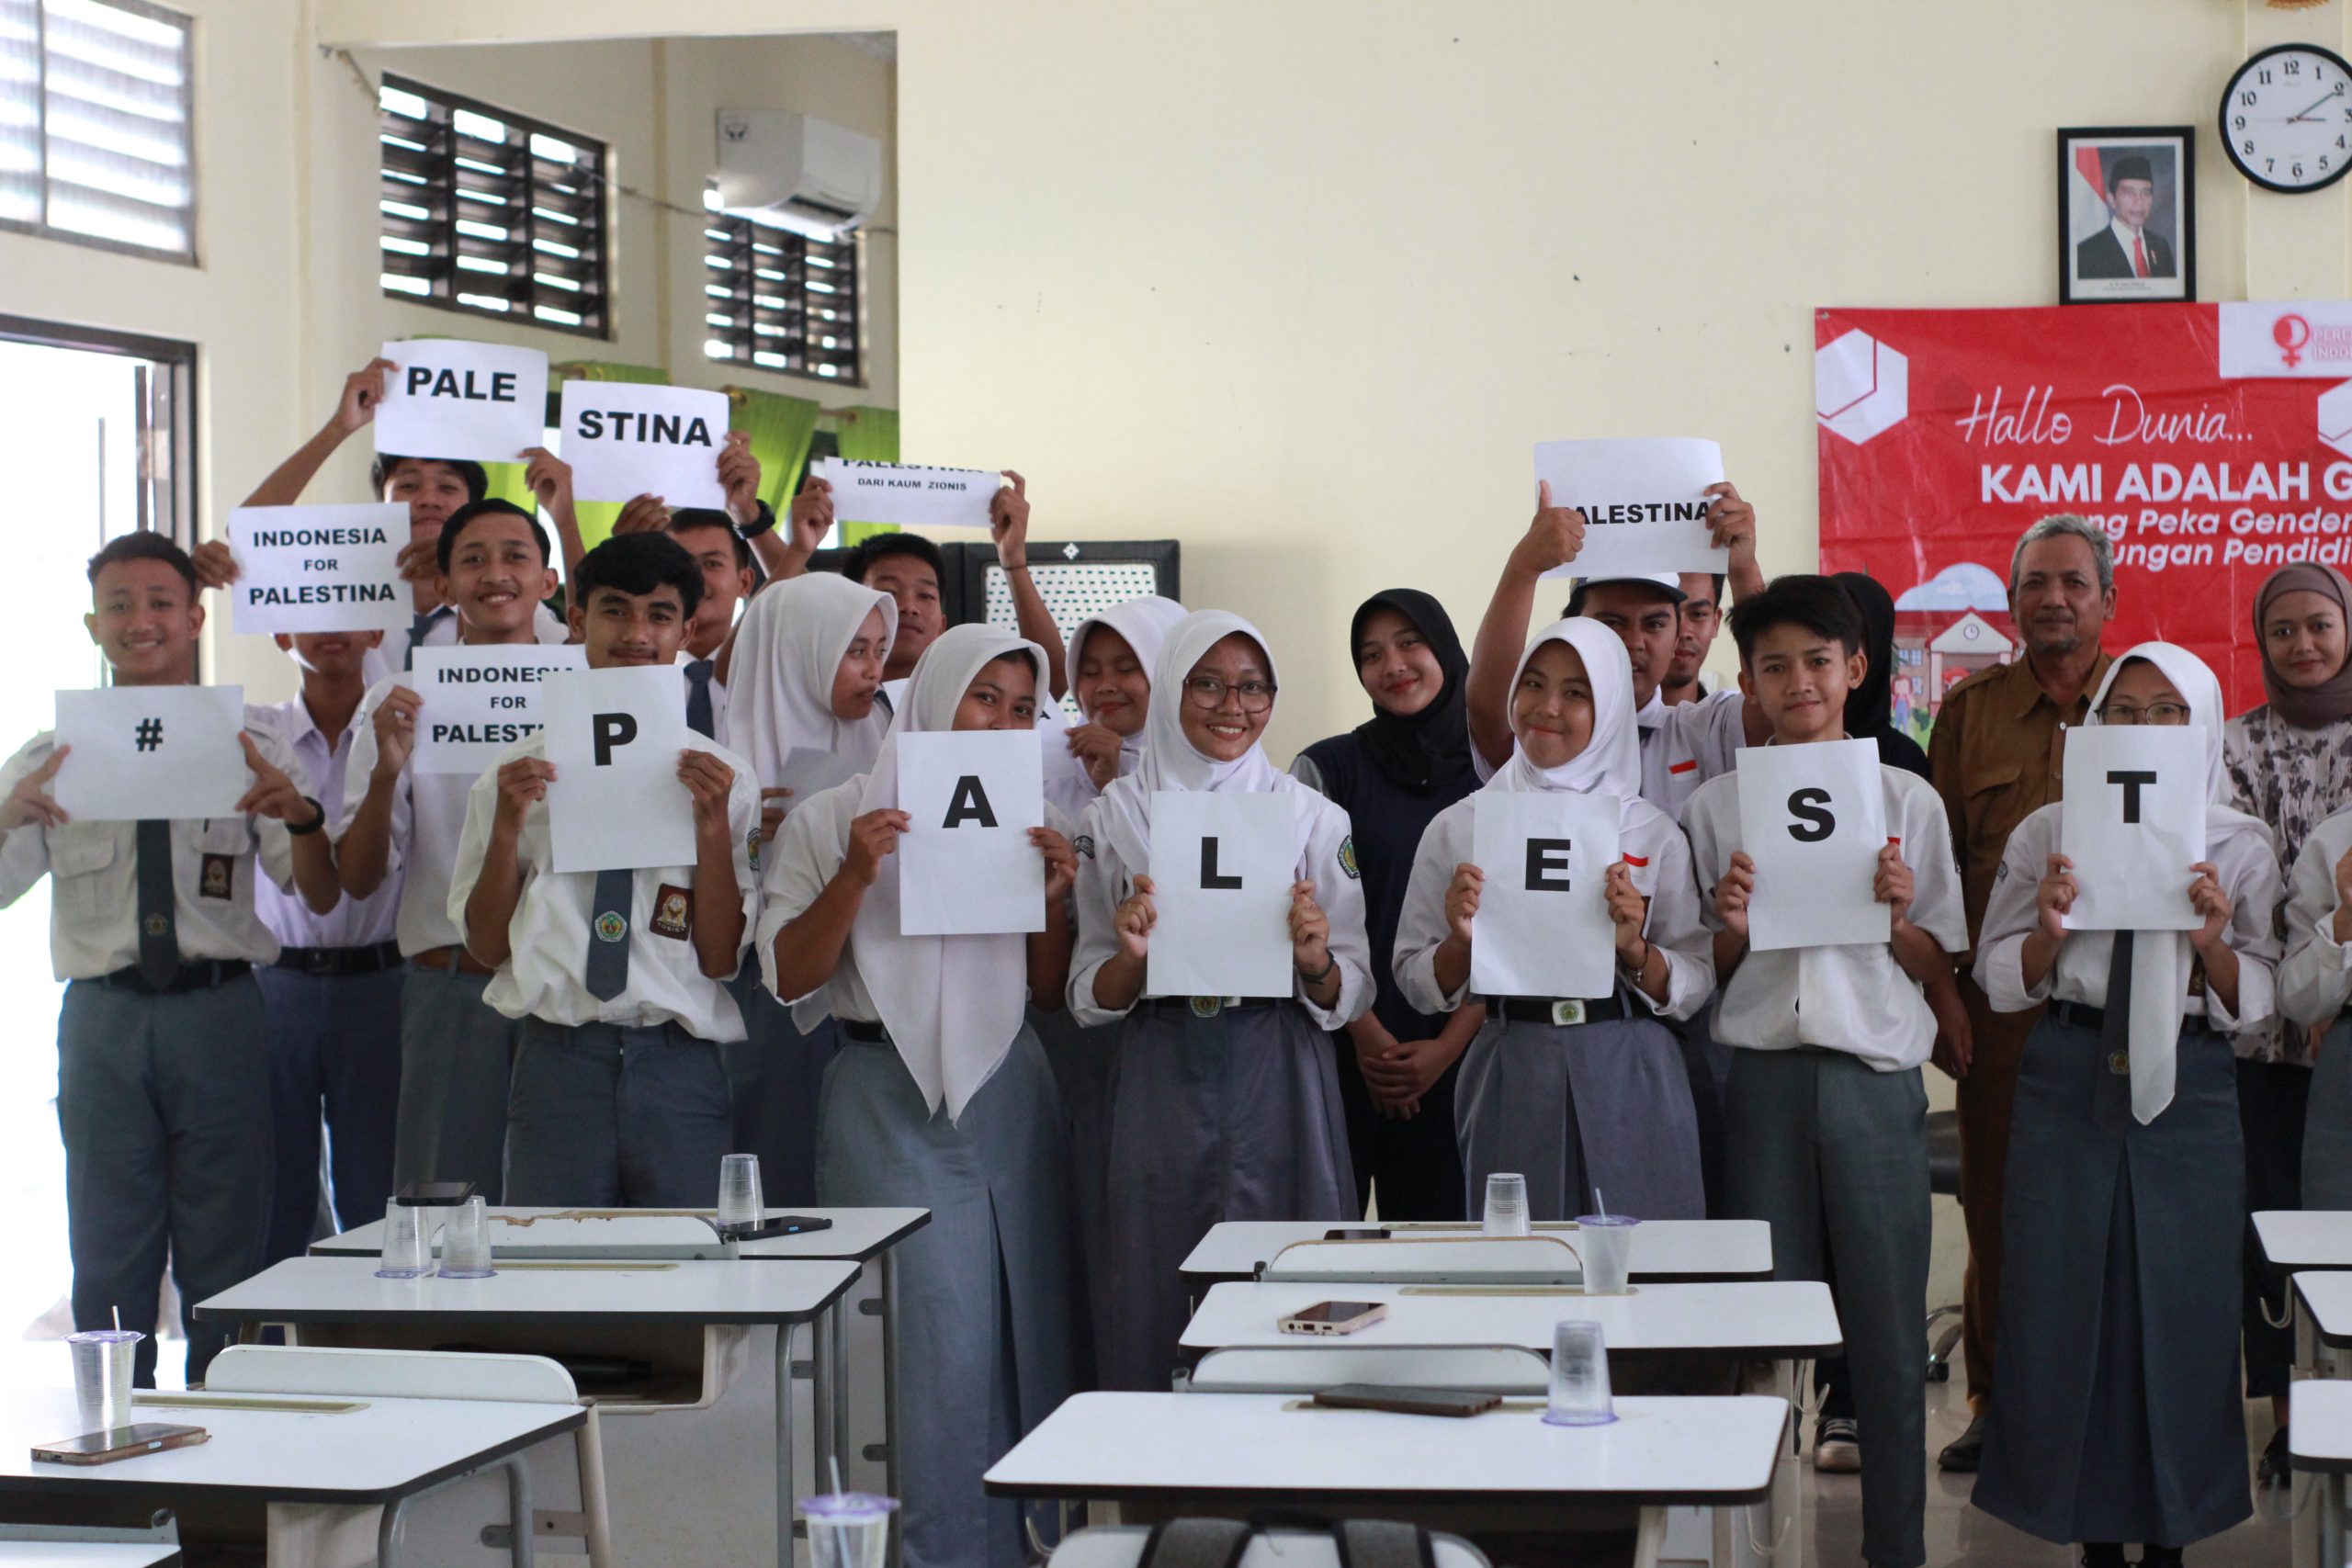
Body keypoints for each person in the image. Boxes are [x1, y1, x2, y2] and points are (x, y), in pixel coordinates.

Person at [761, 624, 1078, 1568]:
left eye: (1022, 708)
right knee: (919, 1344)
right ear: (936, 694)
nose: (1002, 720)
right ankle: (920, 1550)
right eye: (985, 696)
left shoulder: (1029, 815)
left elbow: (1049, 989)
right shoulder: (836, 816)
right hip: (882, 1092)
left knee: (1027, 1321)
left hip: (1008, 1092)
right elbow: (787, 976)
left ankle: (1029, 1546)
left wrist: (1056, 897)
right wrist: (858, 875)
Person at [0, 533, 335, 1384]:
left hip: (219, 1011)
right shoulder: (49, 757)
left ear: (194, 615)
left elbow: (319, 893)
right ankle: (113, 1438)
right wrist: (5, 817)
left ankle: (230, 1447)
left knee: (229, 1247)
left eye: (159, 602)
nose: (139, 620)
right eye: (119, 604)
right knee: (108, 1243)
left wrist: (299, 815)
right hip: (104, 1018)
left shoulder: (251, 743)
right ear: (91, 624)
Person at [1972, 643, 2276, 1568]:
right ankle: (2090, 1534)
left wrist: (2212, 945)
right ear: (2095, 724)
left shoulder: (2236, 840)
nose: (2142, 730)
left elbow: (2259, 999)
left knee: (2181, 1304)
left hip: (2189, 1078)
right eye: (2124, 711)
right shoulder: (2046, 831)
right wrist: (2046, 935)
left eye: (2166, 712)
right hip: (2067, 1063)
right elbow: (1996, 977)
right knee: (2065, 1298)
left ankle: (2172, 1535)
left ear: (2203, 724)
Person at [1684, 574, 1966, 1568]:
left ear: (1855, 668)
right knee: (1759, 1331)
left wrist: (1899, 920)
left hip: (1870, 1080)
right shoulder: (1715, 808)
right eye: (1772, 666)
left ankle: (1898, 1550)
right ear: (1747, 682)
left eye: (1816, 660)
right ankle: (1752, 1544)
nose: (1796, 681)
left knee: (1888, 1337)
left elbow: (1938, 967)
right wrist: (1727, 925)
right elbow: (1699, 973)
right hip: (1759, 1081)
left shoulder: (1907, 799)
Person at [1069, 609, 1372, 1391]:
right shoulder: (1115, 815)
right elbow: (1085, 989)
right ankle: (1165, 1490)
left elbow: (1352, 981)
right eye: (1207, 683)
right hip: (1160, 1062)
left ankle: (1294, 1481)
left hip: (1279, 1060)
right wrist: (1133, 960)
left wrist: (1313, 962)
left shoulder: (1311, 814)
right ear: (1172, 686)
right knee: (1154, 1277)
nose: (1231, 705)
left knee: (1289, 1277)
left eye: (1252, 687)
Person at [450, 533, 760, 1204]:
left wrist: (709, 830)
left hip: (678, 1059)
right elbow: (482, 945)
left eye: (659, 614)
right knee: (556, 1286)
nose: (637, 633)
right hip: (557, 1057)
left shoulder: (723, 777)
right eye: (616, 611)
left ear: (688, 628)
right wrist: (506, 827)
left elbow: (716, 955)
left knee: (693, 1275)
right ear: (578, 619)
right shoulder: (514, 775)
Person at [1395, 615, 1711, 1220]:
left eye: (1576, 692)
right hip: (1510, 1059)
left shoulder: (1650, 829)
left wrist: (1635, 951)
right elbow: (1415, 977)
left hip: (1630, 1063)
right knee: (1519, 1272)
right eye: (1533, 684)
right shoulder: (1462, 825)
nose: (1547, 706)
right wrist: (1460, 943)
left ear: (1613, 707)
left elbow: (1695, 982)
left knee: (1645, 1271)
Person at [1929, 513, 2116, 1472]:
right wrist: (1945, 1003)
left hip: (2123, 1007)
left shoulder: (2143, 705)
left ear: (2105, 600)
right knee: (1998, 1208)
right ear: (2011, 601)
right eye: (2035, 582)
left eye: (2072, 583)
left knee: (2108, 1212)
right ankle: (1996, 1406)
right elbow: (1939, 870)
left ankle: (2101, 1405)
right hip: (2000, 1010)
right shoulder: (1969, 714)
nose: (2053, 598)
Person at [335, 498, 565, 1200]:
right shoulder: (397, 699)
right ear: (442, 587)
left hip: (569, 992)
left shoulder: (591, 690)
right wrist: (384, 772)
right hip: (452, 986)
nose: (495, 573)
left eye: (515, 555)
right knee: (443, 1216)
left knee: (561, 1212)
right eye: (472, 559)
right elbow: (360, 877)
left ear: (548, 582)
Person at [1292, 590, 1484, 1220]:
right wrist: (1368, 1036)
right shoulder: (1327, 769)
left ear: (1446, 650)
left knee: (1449, 1259)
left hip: (1462, 1054)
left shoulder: (1496, 776)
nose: (1393, 664)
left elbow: (1515, 927)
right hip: (1341, 1045)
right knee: (1332, 1246)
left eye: (1409, 643)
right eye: (1371, 654)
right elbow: (1297, 907)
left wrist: (1443, 1051)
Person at [2221, 560, 2352, 1479]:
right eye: (2282, 631)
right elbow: (2231, 879)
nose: (2302, 645)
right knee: (2269, 1231)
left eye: (2319, 625)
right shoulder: (2232, 745)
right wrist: (2308, 974)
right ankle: (2286, 1414)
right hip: (2264, 1024)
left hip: (2340, 1019)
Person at [191, 357, 577, 668]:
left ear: (471, 510)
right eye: (408, 486)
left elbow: (582, 647)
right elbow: (249, 534)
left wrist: (562, 516)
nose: (427, 499)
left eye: (447, 487)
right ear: (382, 504)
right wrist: (338, 429)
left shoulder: (502, 601)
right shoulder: (342, 587)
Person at [720, 570, 897, 1205]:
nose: (874, 669)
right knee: (780, 1161)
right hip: (758, 994)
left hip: (868, 995)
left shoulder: (889, 736)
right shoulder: (720, 757)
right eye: (855, 650)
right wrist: (738, 839)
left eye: (880, 648)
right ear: (797, 649)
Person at [1465, 480, 1764, 824]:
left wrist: (1743, 570)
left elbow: (1771, 705)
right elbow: (1489, 709)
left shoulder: (1702, 731)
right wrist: (1523, 569)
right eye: (1611, 622)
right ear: (1571, 627)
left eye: (1654, 624)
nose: (1633, 641)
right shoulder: (1542, 728)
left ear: (1678, 636)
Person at [254, 628, 405, 1264]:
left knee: (378, 1196)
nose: (331, 624)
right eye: (312, 607)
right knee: (273, 1193)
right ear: (281, 630)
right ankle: (268, 1356)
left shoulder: (407, 727)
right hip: (274, 985)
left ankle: (378, 1354)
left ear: (377, 629)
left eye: (351, 607)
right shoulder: (251, 734)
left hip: (381, 981)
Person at [2075, 154, 2176, 281]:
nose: (2139, 202)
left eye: (2146, 193)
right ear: (2112, 199)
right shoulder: (2086, 253)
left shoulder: (2161, 246)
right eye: (2129, 193)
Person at [1662, 571, 1726, 705]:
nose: (1684, 632)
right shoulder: (1609, 721)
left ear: (1716, 622)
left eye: (1698, 614)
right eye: (1665, 616)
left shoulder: (1726, 723)